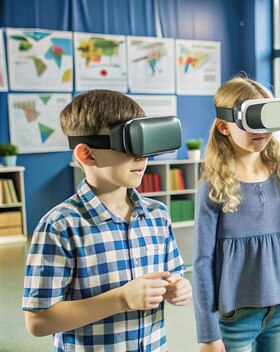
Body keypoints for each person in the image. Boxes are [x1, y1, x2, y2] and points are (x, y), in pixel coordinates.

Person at [22, 89, 191, 351]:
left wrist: (178, 286)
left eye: (145, 145)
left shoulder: (157, 215)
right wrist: (121, 299)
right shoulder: (60, 226)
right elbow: (38, 321)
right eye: (128, 145)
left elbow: (174, 274)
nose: (142, 157)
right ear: (87, 154)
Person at [193, 76, 280, 352]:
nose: (261, 129)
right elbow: (202, 263)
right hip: (235, 316)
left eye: (267, 118)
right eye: (252, 119)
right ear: (224, 127)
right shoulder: (214, 186)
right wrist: (208, 335)